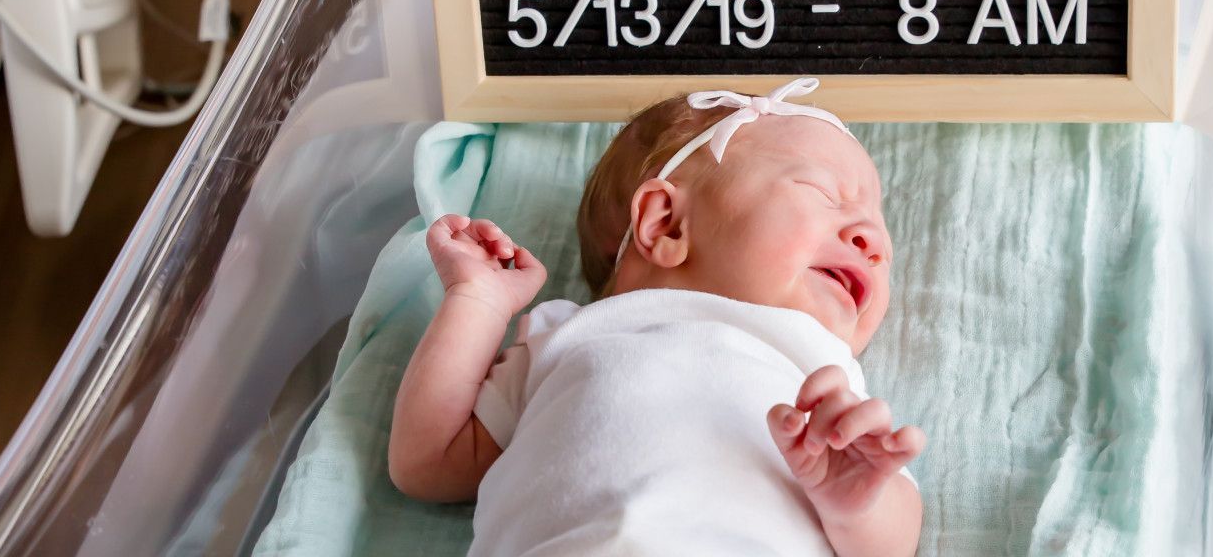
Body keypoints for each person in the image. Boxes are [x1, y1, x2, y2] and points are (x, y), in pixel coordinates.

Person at [389, 79, 925, 555]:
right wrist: (478, 301)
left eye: (878, 229)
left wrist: (858, 503)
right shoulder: (565, 336)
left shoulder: (824, 385)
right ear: (665, 225)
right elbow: (428, 462)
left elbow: (893, 539)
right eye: (825, 194)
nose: (872, 241)